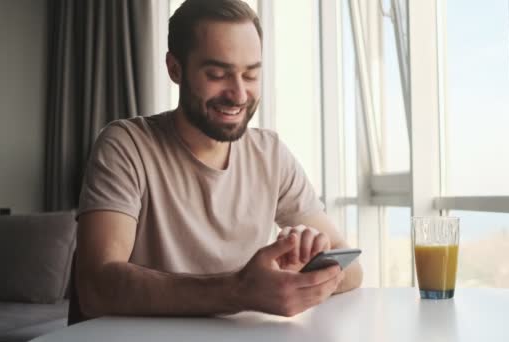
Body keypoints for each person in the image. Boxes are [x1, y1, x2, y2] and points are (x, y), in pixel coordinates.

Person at [72, 0, 362, 321]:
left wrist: (302, 274)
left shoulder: (271, 154)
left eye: (250, 75)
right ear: (175, 69)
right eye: (218, 74)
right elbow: (96, 287)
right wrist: (240, 290)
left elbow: (352, 268)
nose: (238, 95)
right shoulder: (126, 145)